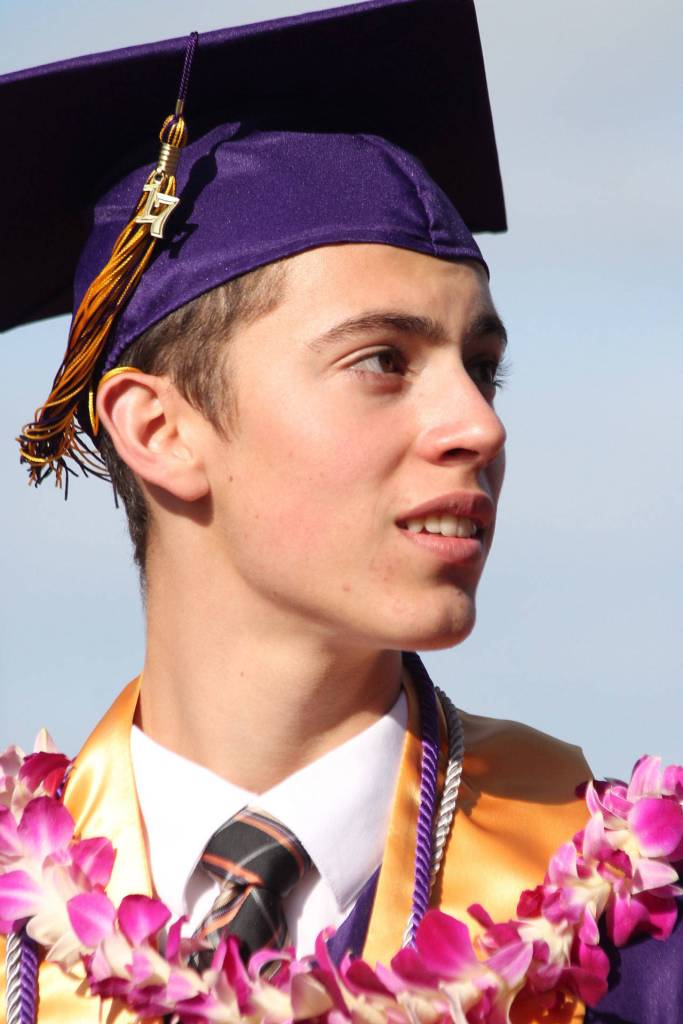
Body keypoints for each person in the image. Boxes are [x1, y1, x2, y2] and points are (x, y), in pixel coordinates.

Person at [0, 2, 680, 1023]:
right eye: (381, 361)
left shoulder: (637, 942)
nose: (476, 427)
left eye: (482, 369)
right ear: (160, 431)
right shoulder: (18, 941)